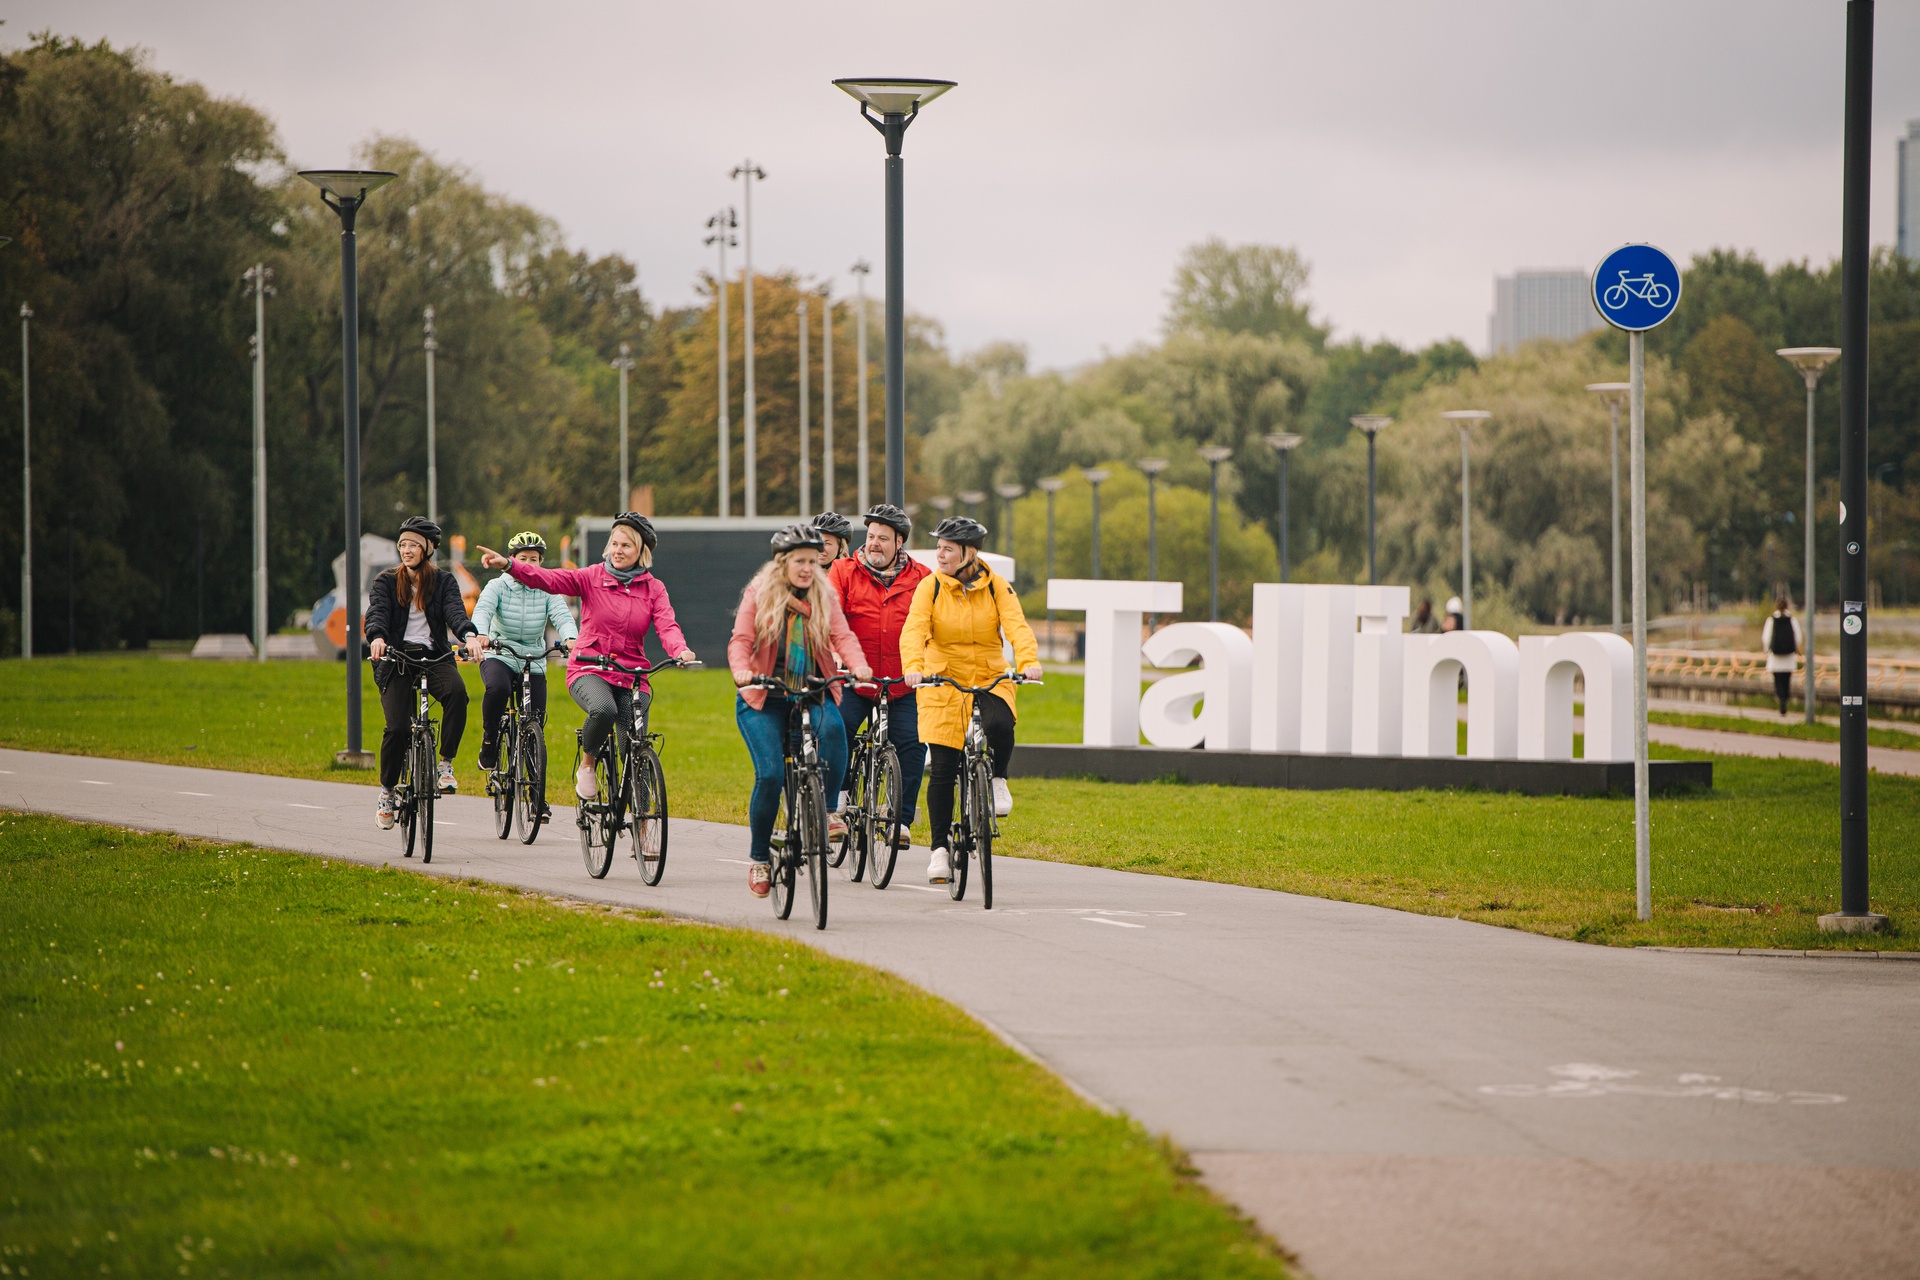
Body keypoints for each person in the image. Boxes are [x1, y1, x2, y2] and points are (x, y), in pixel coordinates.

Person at [475, 513, 694, 802]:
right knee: (604, 710)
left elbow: (667, 625)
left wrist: (679, 650)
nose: (617, 550)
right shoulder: (592, 577)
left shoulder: (654, 589)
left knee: (634, 741)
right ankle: (588, 764)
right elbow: (550, 578)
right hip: (589, 668)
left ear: (641, 551)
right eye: (614, 543)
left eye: (626, 546)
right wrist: (510, 565)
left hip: (631, 674)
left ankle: (643, 823)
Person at [728, 524, 871, 898]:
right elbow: (741, 640)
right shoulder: (759, 592)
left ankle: (826, 812)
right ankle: (760, 857)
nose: (808, 568)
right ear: (782, 563)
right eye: (800, 561)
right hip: (764, 697)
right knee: (771, 775)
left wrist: (857, 665)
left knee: (836, 732)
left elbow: (843, 636)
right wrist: (743, 672)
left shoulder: (824, 595)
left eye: (813, 560)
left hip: (811, 691)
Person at [900, 516, 1041, 885]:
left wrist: (1028, 663)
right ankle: (939, 852)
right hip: (941, 678)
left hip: (989, 673)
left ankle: (997, 779)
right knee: (944, 769)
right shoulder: (929, 588)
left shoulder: (997, 587)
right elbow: (914, 630)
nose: (940, 554)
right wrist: (914, 667)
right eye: (939, 547)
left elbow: (1017, 627)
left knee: (1001, 721)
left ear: (969, 553)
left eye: (948, 548)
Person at [829, 503, 932, 851]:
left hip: (903, 683)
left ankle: (900, 821)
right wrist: (836, 658)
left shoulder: (923, 578)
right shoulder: (843, 572)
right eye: (871, 536)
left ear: (899, 542)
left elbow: (931, 626)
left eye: (883, 538)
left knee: (914, 742)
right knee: (837, 726)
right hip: (855, 679)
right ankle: (839, 799)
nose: (874, 543)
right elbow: (832, 617)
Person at [365, 517, 478, 829]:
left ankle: (445, 764)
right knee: (398, 728)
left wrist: (468, 635)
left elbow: (456, 612)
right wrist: (377, 637)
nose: (406, 550)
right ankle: (387, 791)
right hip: (397, 659)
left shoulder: (443, 582)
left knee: (458, 695)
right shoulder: (386, 581)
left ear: (428, 549)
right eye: (402, 544)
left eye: (413, 544)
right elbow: (377, 613)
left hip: (435, 656)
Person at [471, 531, 579, 775]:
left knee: (536, 723)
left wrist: (571, 638)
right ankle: (489, 741)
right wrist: (480, 634)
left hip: (534, 658)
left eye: (534, 559)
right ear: (511, 559)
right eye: (523, 558)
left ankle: (535, 798)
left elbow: (562, 615)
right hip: (501, 653)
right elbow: (483, 611)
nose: (529, 564)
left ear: (541, 562)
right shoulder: (497, 586)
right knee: (498, 689)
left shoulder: (547, 589)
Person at [1762, 597, 1804, 716]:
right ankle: (1785, 698)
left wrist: (1767, 651)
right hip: (1789, 656)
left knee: (1778, 680)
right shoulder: (1792, 620)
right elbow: (1798, 638)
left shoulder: (1771, 620)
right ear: (1787, 606)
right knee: (1786, 680)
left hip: (1775, 656)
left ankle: (1781, 699)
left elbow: (1766, 638)